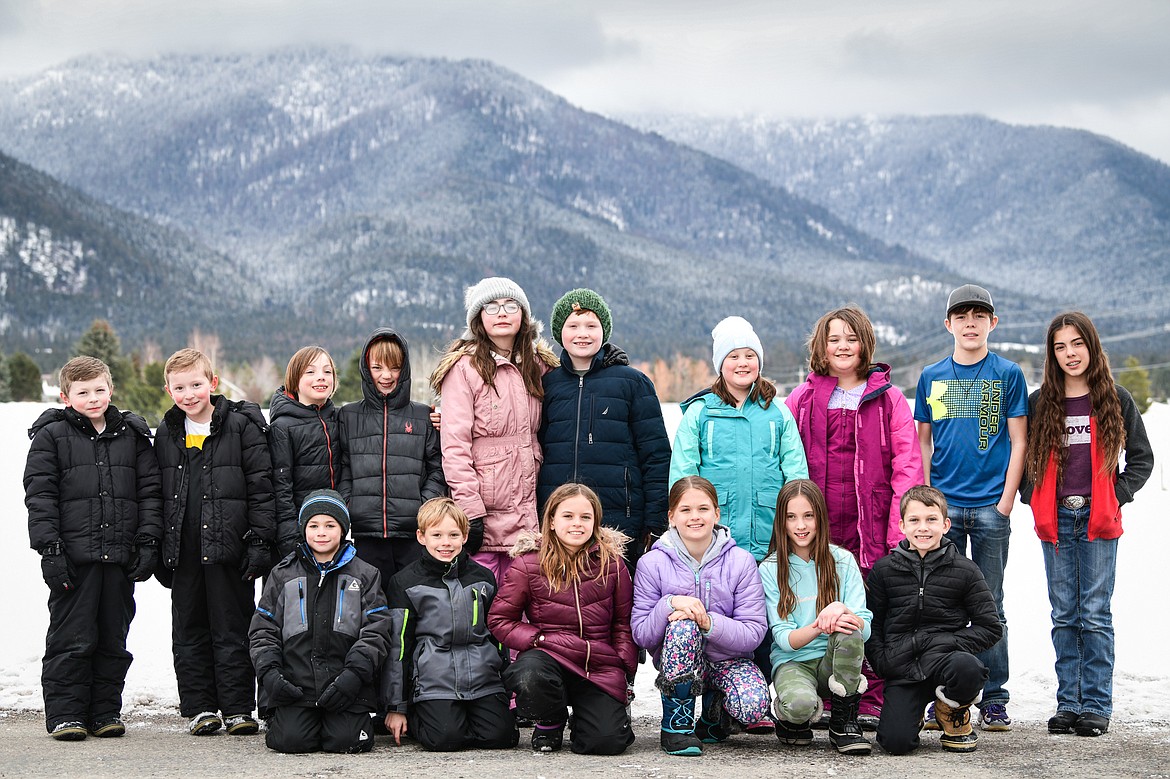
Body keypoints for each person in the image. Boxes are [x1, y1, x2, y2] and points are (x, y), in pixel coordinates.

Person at [786, 306, 923, 726]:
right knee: (822, 599)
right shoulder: (804, 397)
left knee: (870, 603)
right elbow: (787, 455)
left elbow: (908, 463)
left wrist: (900, 523)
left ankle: (870, 695)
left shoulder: (888, 399)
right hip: (819, 522)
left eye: (851, 338)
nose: (842, 346)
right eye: (834, 339)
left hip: (872, 520)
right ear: (821, 348)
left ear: (865, 344)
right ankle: (828, 689)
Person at [1020, 312, 1153, 738]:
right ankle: (1068, 704)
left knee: (1094, 614)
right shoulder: (1041, 402)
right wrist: (1031, 495)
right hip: (1057, 518)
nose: (1069, 354)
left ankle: (1095, 704)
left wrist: (1117, 495)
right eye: (1060, 347)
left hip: (1097, 518)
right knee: (1064, 614)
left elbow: (1142, 459)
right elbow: (1022, 456)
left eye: (1077, 344)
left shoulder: (1115, 397)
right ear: (1051, 354)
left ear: (1091, 347)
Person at [24, 356, 162, 741]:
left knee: (112, 638)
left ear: (111, 389)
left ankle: (104, 712)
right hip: (74, 559)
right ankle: (67, 714)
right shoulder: (52, 436)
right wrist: (49, 550)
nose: (93, 398)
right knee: (72, 637)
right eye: (83, 392)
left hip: (118, 558)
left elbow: (150, 492)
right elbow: (41, 496)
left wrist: (148, 540)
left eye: (99, 389)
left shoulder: (132, 436)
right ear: (66, 396)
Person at [913, 284, 1026, 731]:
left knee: (989, 604)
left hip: (989, 508)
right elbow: (924, 441)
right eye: (962, 316)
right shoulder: (932, 376)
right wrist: (928, 499)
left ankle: (994, 696)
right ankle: (943, 691)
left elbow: (1019, 440)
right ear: (949, 324)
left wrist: (1006, 500)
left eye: (980, 316)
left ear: (992, 323)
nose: (971, 323)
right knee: (942, 605)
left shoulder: (1007, 374)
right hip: (945, 507)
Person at [154, 347, 276, 736]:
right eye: (179, 387)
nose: (189, 394)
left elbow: (260, 487)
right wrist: (158, 547)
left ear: (213, 383)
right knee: (189, 629)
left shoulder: (240, 426)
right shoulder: (168, 432)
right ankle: (201, 707)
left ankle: (239, 707)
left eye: (196, 384)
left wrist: (259, 540)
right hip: (184, 551)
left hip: (230, 548)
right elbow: (156, 492)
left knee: (233, 627)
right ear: (169, 390)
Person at [488, 483, 637, 755]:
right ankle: (550, 720)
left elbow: (623, 623)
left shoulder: (612, 564)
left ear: (596, 522)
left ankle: (586, 717)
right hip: (549, 655)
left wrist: (624, 667)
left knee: (606, 743)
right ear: (552, 521)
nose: (577, 524)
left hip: (597, 663)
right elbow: (500, 619)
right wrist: (537, 639)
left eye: (585, 517)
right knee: (529, 673)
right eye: (568, 516)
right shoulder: (528, 564)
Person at [431, 277, 558, 584]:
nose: (502, 312)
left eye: (510, 305)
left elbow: (577, 381)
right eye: (492, 307)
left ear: (523, 315)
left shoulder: (540, 365)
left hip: (530, 506)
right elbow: (455, 446)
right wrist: (469, 510)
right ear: (479, 319)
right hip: (486, 509)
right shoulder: (464, 368)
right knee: (483, 599)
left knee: (526, 600)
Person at [632, 475, 770, 757]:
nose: (695, 517)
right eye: (685, 510)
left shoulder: (741, 562)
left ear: (716, 514)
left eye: (703, 509)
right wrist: (669, 604)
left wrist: (709, 622)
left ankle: (711, 717)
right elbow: (641, 633)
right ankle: (677, 726)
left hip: (727, 660)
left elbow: (754, 632)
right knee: (683, 625)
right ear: (671, 517)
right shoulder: (652, 563)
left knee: (753, 704)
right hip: (679, 664)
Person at [539, 288, 671, 570]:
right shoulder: (547, 385)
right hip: (559, 524)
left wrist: (655, 522)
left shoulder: (633, 383)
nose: (582, 334)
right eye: (573, 326)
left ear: (605, 331)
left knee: (615, 604)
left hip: (618, 524)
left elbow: (657, 457)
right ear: (559, 332)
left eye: (591, 325)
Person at [866, 486, 1003, 755]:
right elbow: (873, 623)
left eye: (931, 519)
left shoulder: (965, 570)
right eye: (915, 521)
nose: (923, 528)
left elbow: (990, 627)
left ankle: (950, 709)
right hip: (903, 666)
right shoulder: (883, 571)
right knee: (895, 743)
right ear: (902, 525)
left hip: (946, 662)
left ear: (946, 524)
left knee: (969, 669)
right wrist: (882, 661)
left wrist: (942, 642)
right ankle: (912, 713)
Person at [250, 490, 389, 754]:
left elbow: (377, 631)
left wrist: (354, 675)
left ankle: (339, 720)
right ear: (303, 529)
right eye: (313, 526)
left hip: (346, 684)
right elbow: (263, 630)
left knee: (348, 742)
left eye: (330, 525)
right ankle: (290, 719)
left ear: (343, 529)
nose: (321, 532)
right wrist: (271, 675)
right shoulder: (282, 574)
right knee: (290, 742)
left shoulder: (366, 575)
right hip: (296, 686)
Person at [381, 497, 518, 752]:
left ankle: (471, 715)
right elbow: (399, 647)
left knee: (501, 738)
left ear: (465, 536)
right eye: (437, 535)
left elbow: (498, 635)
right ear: (421, 537)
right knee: (445, 739)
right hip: (434, 681)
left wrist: (504, 684)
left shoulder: (483, 578)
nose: (446, 543)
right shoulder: (405, 582)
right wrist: (396, 707)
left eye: (454, 534)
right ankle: (423, 715)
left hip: (481, 678)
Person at [670, 315, 808, 564]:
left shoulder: (778, 412)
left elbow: (796, 472)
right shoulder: (700, 412)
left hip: (769, 539)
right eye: (733, 357)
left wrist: (798, 518)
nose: (742, 363)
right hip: (713, 541)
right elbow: (683, 473)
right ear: (721, 364)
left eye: (750, 356)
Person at [761, 479, 872, 755]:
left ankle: (843, 722)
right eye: (792, 517)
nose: (801, 526)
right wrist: (820, 621)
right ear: (782, 522)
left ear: (819, 517)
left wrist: (842, 612)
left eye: (808, 516)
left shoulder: (843, 561)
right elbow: (785, 640)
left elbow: (865, 628)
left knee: (850, 631)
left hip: (835, 663)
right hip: (794, 663)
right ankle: (791, 718)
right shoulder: (771, 568)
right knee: (799, 707)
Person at [338, 328, 446, 593]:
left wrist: (423, 505)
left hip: (412, 535)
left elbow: (437, 466)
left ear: (404, 370)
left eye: (394, 367)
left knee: (409, 606)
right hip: (366, 534)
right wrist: (351, 504)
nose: (386, 376)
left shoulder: (423, 416)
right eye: (377, 367)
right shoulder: (348, 416)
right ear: (367, 369)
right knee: (372, 606)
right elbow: (342, 467)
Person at [268, 346, 342, 559]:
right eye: (310, 372)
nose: (321, 378)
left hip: (332, 530)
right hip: (296, 535)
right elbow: (280, 487)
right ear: (294, 379)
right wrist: (291, 539)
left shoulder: (338, 419)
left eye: (327, 372)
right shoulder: (282, 426)